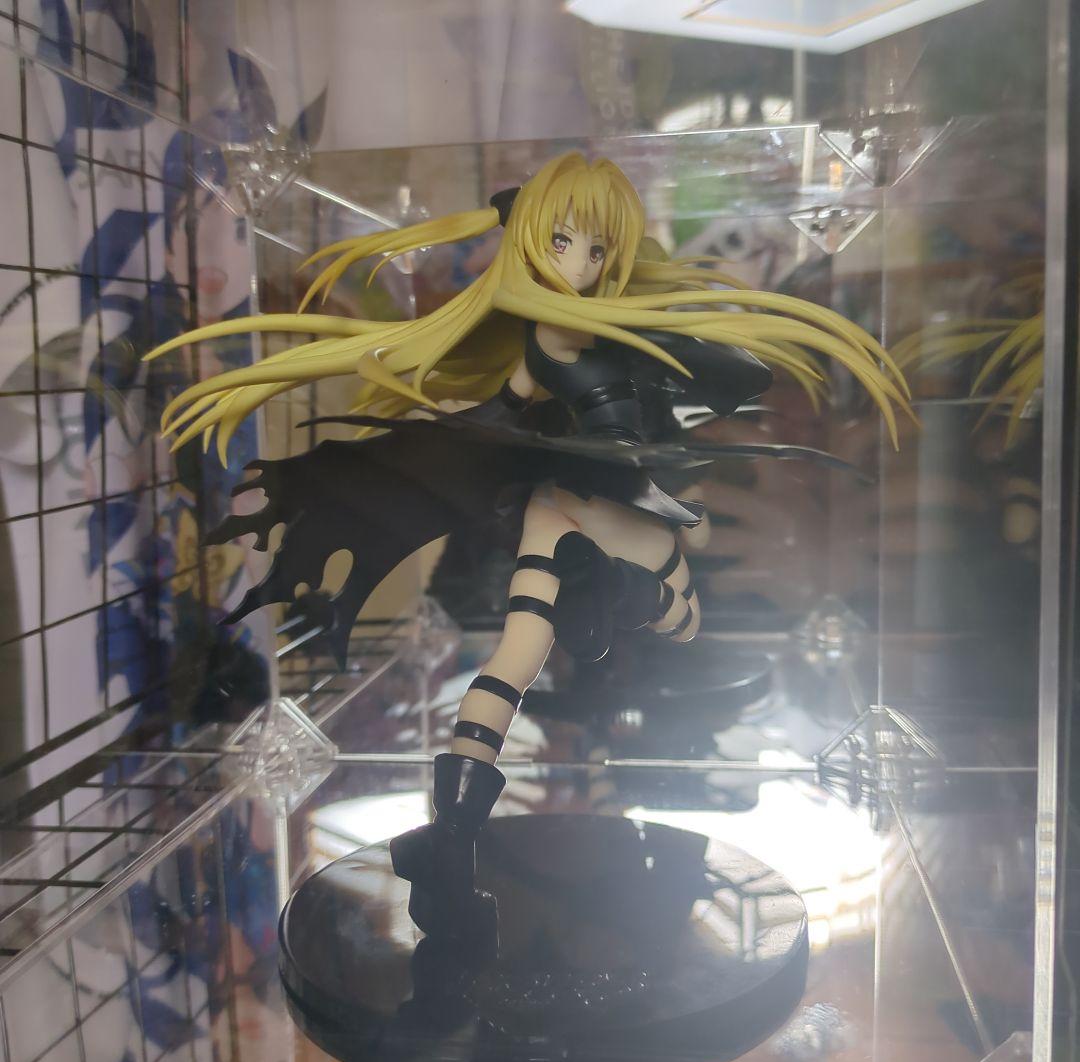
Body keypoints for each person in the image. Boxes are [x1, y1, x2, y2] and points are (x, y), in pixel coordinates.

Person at [144, 151, 910, 939]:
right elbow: (531, 416)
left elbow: (523, 412)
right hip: (588, 504)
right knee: (640, 611)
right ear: (531, 242)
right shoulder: (576, 332)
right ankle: (608, 604)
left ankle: (452, 836)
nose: (579, 264)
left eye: (597, 249)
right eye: (562, 242)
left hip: (572, 508)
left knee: (518, 659)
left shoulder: (574, 337)